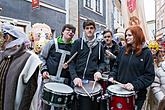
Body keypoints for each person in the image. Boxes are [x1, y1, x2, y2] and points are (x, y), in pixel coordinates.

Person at [108, 25, 155, 110]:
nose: (127, 37)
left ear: (137, 35)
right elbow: (116, 66)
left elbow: (149, 76)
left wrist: (134, 85)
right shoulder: (123, 50)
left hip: (136, 95)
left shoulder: (146, 53)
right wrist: (112, 76)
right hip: (120, 92)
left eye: (129, 35)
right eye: (126, 35)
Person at [0, 23, 42, 110]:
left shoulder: (31, 59)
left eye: (1, 36)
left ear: (7, 37)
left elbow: (28, 94)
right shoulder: (2, 56)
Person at [69, 19, 105, 110]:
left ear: (94, 29)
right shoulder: (77, 43)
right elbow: (71, 62)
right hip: (78, 79)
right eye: (87, 28)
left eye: (91, 28)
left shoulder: (100, 46)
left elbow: (102, 63)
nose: (89, 30)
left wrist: (99, 71)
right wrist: (74, 77)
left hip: (91, 81)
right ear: (84, 30)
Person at [39, 24, 76, 110]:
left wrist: (69, 65)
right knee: (45, 106)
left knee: (60, 107)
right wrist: (44, 70)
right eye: (68, 30)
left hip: (64, 83)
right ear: (62, 32)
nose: (70, 32)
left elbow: (75, 64)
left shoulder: (74, 48)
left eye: (73, 31)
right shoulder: (52, 43)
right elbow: (42, 57)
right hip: (49, 80)